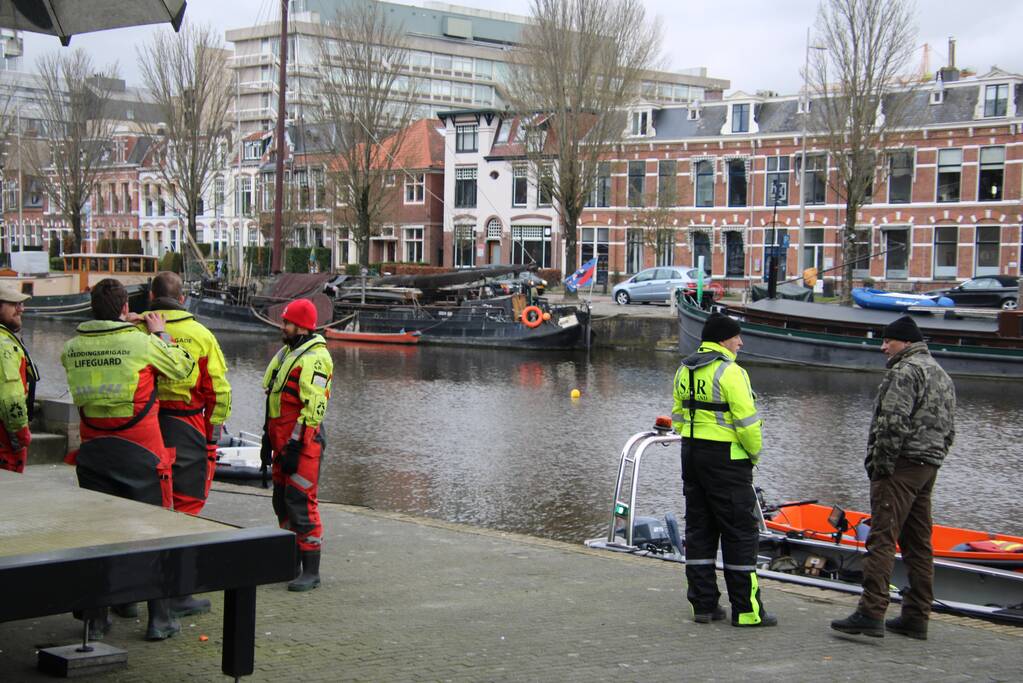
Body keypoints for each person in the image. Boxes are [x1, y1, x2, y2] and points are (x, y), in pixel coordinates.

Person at [62, 278, 195, 641]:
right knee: (154, 535)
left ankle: (98, 618)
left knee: (99, 536)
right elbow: (184, 369)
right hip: (142, 454)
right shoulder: (141, 342)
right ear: (125, 308)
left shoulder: (71, 348)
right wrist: (159, 333)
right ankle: (160, 618)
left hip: (93, 452)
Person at [831, 315, 955, 640]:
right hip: (927, 467)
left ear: (906, 342)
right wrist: (934, 460)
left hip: (900, 466)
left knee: (882, 539)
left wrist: (879, 466)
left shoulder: (905, 371)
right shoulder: (940, 374)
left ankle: (871, 613)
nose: (884, 347)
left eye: (888, 341)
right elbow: (949, 429)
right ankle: (916, 616)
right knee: (918, 543)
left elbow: (892, 423)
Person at [671, 312, 774, 627]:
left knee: (699, 532)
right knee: (740, 533)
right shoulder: (731, 372)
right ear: (722, 339)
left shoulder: (683, 370)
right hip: (728, 460)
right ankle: (746, 612)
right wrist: (752, 455)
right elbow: (747, 423)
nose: (740, 342)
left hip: (691, 455)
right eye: (736, 337)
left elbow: (677, 417)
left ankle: (703, 606)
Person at [141, 271, 232, 618]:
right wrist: (212, 434)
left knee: (144, 507)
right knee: (186, 508)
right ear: (182, 299)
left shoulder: (139, 331)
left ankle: (126, 596)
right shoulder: (201, 335)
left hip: (145, 424)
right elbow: (219, 390)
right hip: (188, 425)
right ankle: (179, 593)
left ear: (151, 298)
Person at [261, 298, 333, 591]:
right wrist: (267, 438)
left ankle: (311, 570)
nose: (283, 326)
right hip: (282, 442)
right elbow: (274, 401)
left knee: (301, 503)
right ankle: (291, 561)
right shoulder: (288, 353)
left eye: (287, 322)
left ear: (301, 326)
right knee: (282, 501)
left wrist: (293, 446)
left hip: (302, 444)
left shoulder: (314, 359)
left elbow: (313, 409)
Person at [0, 284, 38, 473]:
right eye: (14, 303)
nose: (21, 308)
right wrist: (21, 435)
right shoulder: (5, 346)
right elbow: (10, 399)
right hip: (5, 443)